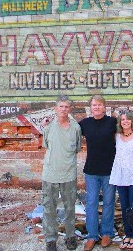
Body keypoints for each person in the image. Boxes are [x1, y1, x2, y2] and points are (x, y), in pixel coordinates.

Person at [79, 95, 133, 251]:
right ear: (91, 107)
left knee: (109, 203)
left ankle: (107, 233)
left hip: (110, 171)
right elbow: (67, 127)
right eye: (94, 105)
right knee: (91, 204)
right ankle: (92, 236)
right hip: (91, 171)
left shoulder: (111, 122)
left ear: (104, 107)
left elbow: (127, 126)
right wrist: (47, 123)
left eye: (99, 105)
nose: (96, 107)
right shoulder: (84, 124)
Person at [41, 95, 82, 251]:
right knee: (49, 207)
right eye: (61, 106)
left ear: (70, 109)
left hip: (68, 174)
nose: (63, 109)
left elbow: (77, 148)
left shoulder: (75, 128)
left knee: (70, 207)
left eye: (66, 107)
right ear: (55, 109)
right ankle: (51, 239)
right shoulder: (49, 127)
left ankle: (70, 237)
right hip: (50, 174)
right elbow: (46, 146)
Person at [109, 110, 133, 250]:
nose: (125, 121)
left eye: (127, 119)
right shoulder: (117, 136)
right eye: (122, 119)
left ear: (132, 121)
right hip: (120, 176)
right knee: (125, 208)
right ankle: (127, 235)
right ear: (120, 122)